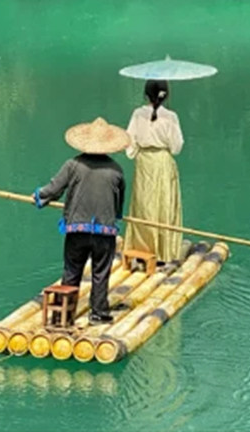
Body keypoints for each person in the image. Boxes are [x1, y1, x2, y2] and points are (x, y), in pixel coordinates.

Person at [33, 117, 128, 324]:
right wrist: (114, 218)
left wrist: (40, 196)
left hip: (77, 230)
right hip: (105, 232)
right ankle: (98, 313)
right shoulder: (116, 171)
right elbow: (118, 204)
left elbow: (54, 189)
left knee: (71, 271)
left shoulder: (73, 165)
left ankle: (62, 316)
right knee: (100, 272)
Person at [123, 79, 184, 263]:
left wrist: (135, 151)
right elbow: (176, 146)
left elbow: (129, 142)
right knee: (164, 203)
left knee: (143, 204)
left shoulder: (137, 114)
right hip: (163, 161)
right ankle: (164, 252)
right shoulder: (171, 116)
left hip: (144, 162)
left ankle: (142, 248)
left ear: (146, 94)